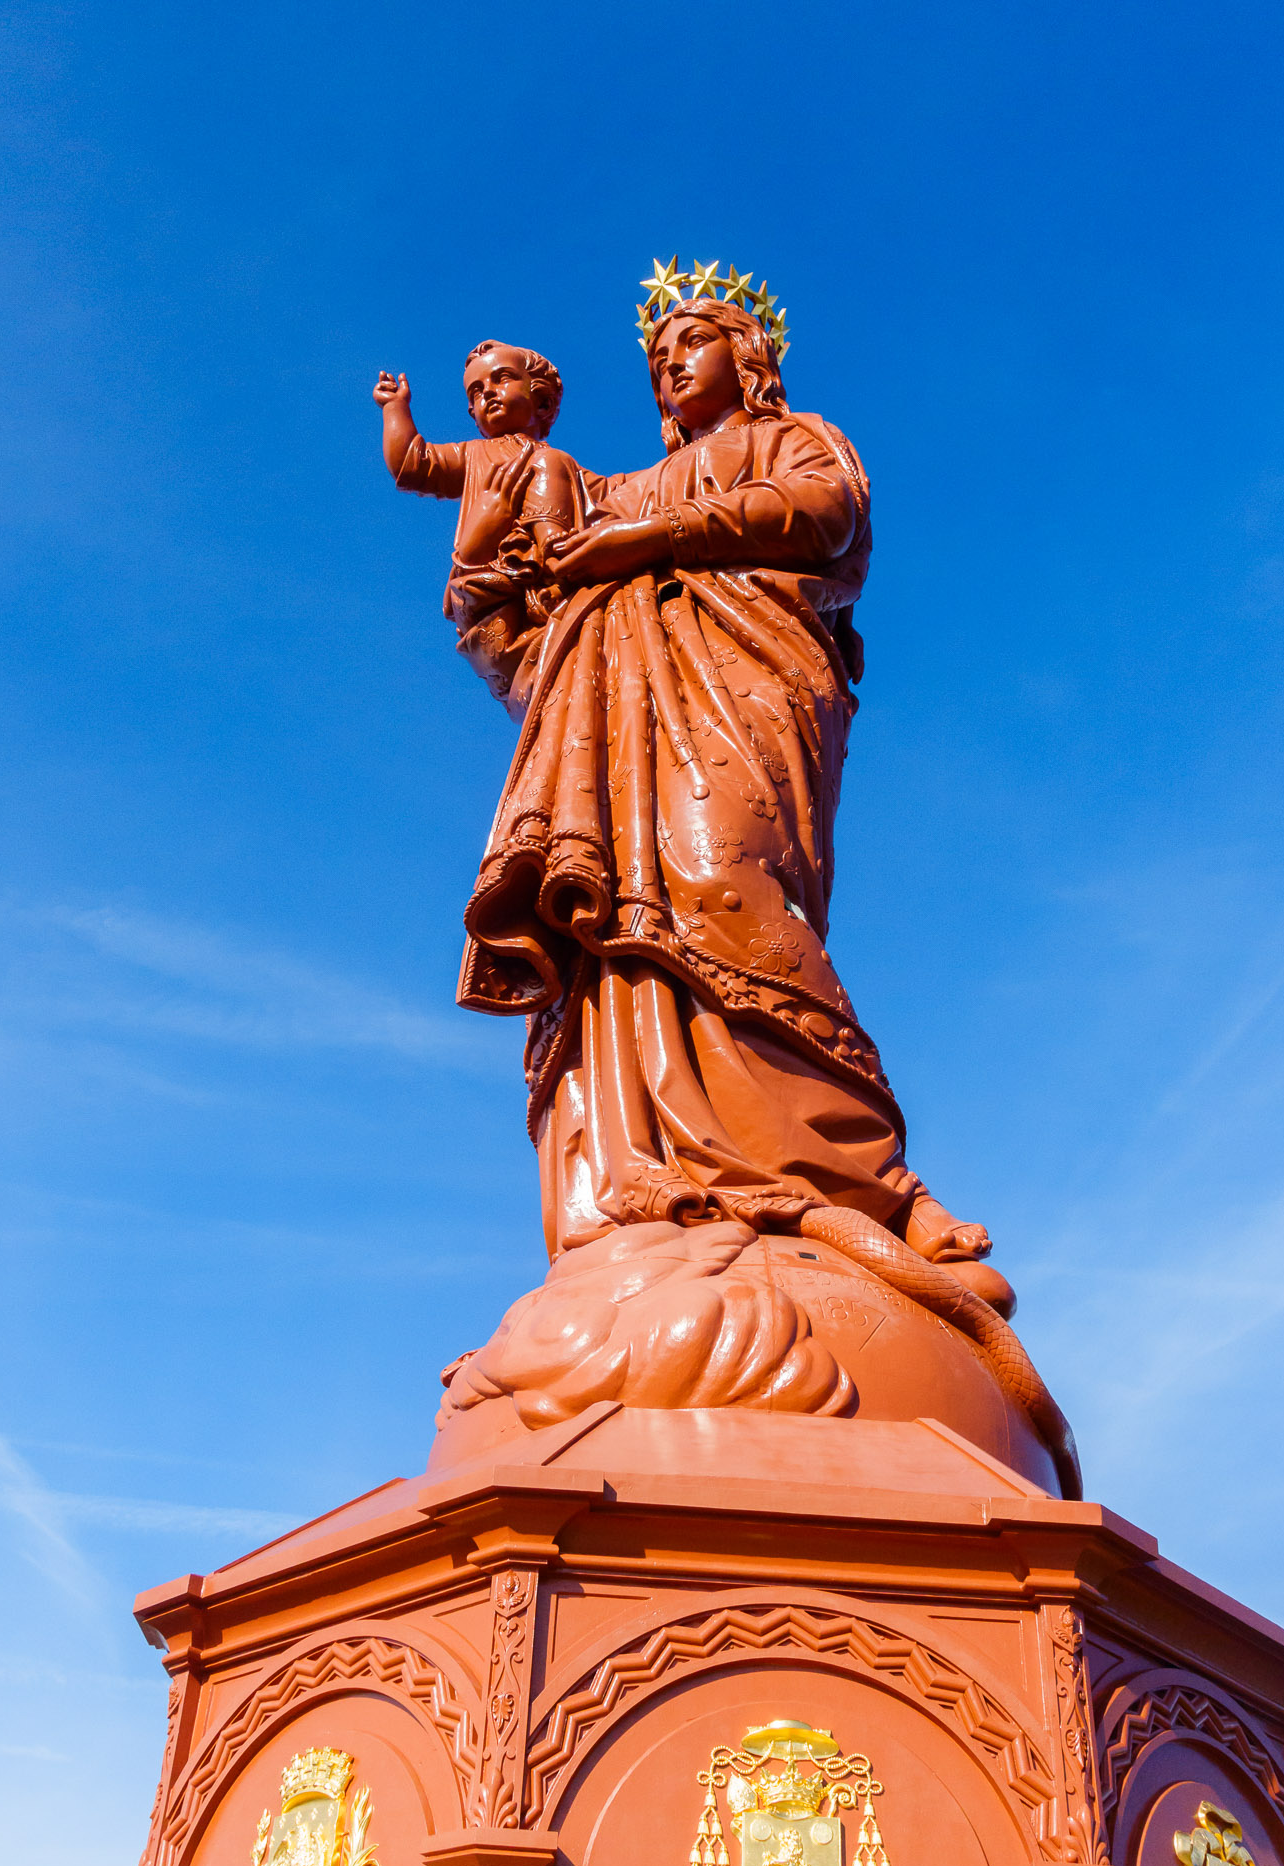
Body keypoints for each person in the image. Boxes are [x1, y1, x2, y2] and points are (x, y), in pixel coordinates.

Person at [453, 294, 998, 1276]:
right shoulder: (623, 488)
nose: (668, 362)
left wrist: (654, 543)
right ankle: (647, 1188)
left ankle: (872, 1185)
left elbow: (827, 517)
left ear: (745, 352)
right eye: (656, 352)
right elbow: (526, 565)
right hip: (621, 729)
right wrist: (499, 521)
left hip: (746, 681)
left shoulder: (795, 439)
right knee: (616, 919)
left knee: (725, 886)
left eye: (690, 340)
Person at [374, 341, 587, 706]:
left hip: (549, 593)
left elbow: (621, 497)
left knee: (554, 463)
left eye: (501, 378)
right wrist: (395, 408)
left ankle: (559, 556)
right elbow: (411, 464)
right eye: (476, 391)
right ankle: (559, 555)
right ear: (472, 412)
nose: (487, 391)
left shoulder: (569, 471)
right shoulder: (474, 455)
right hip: (495, 585)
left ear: (544, 402)